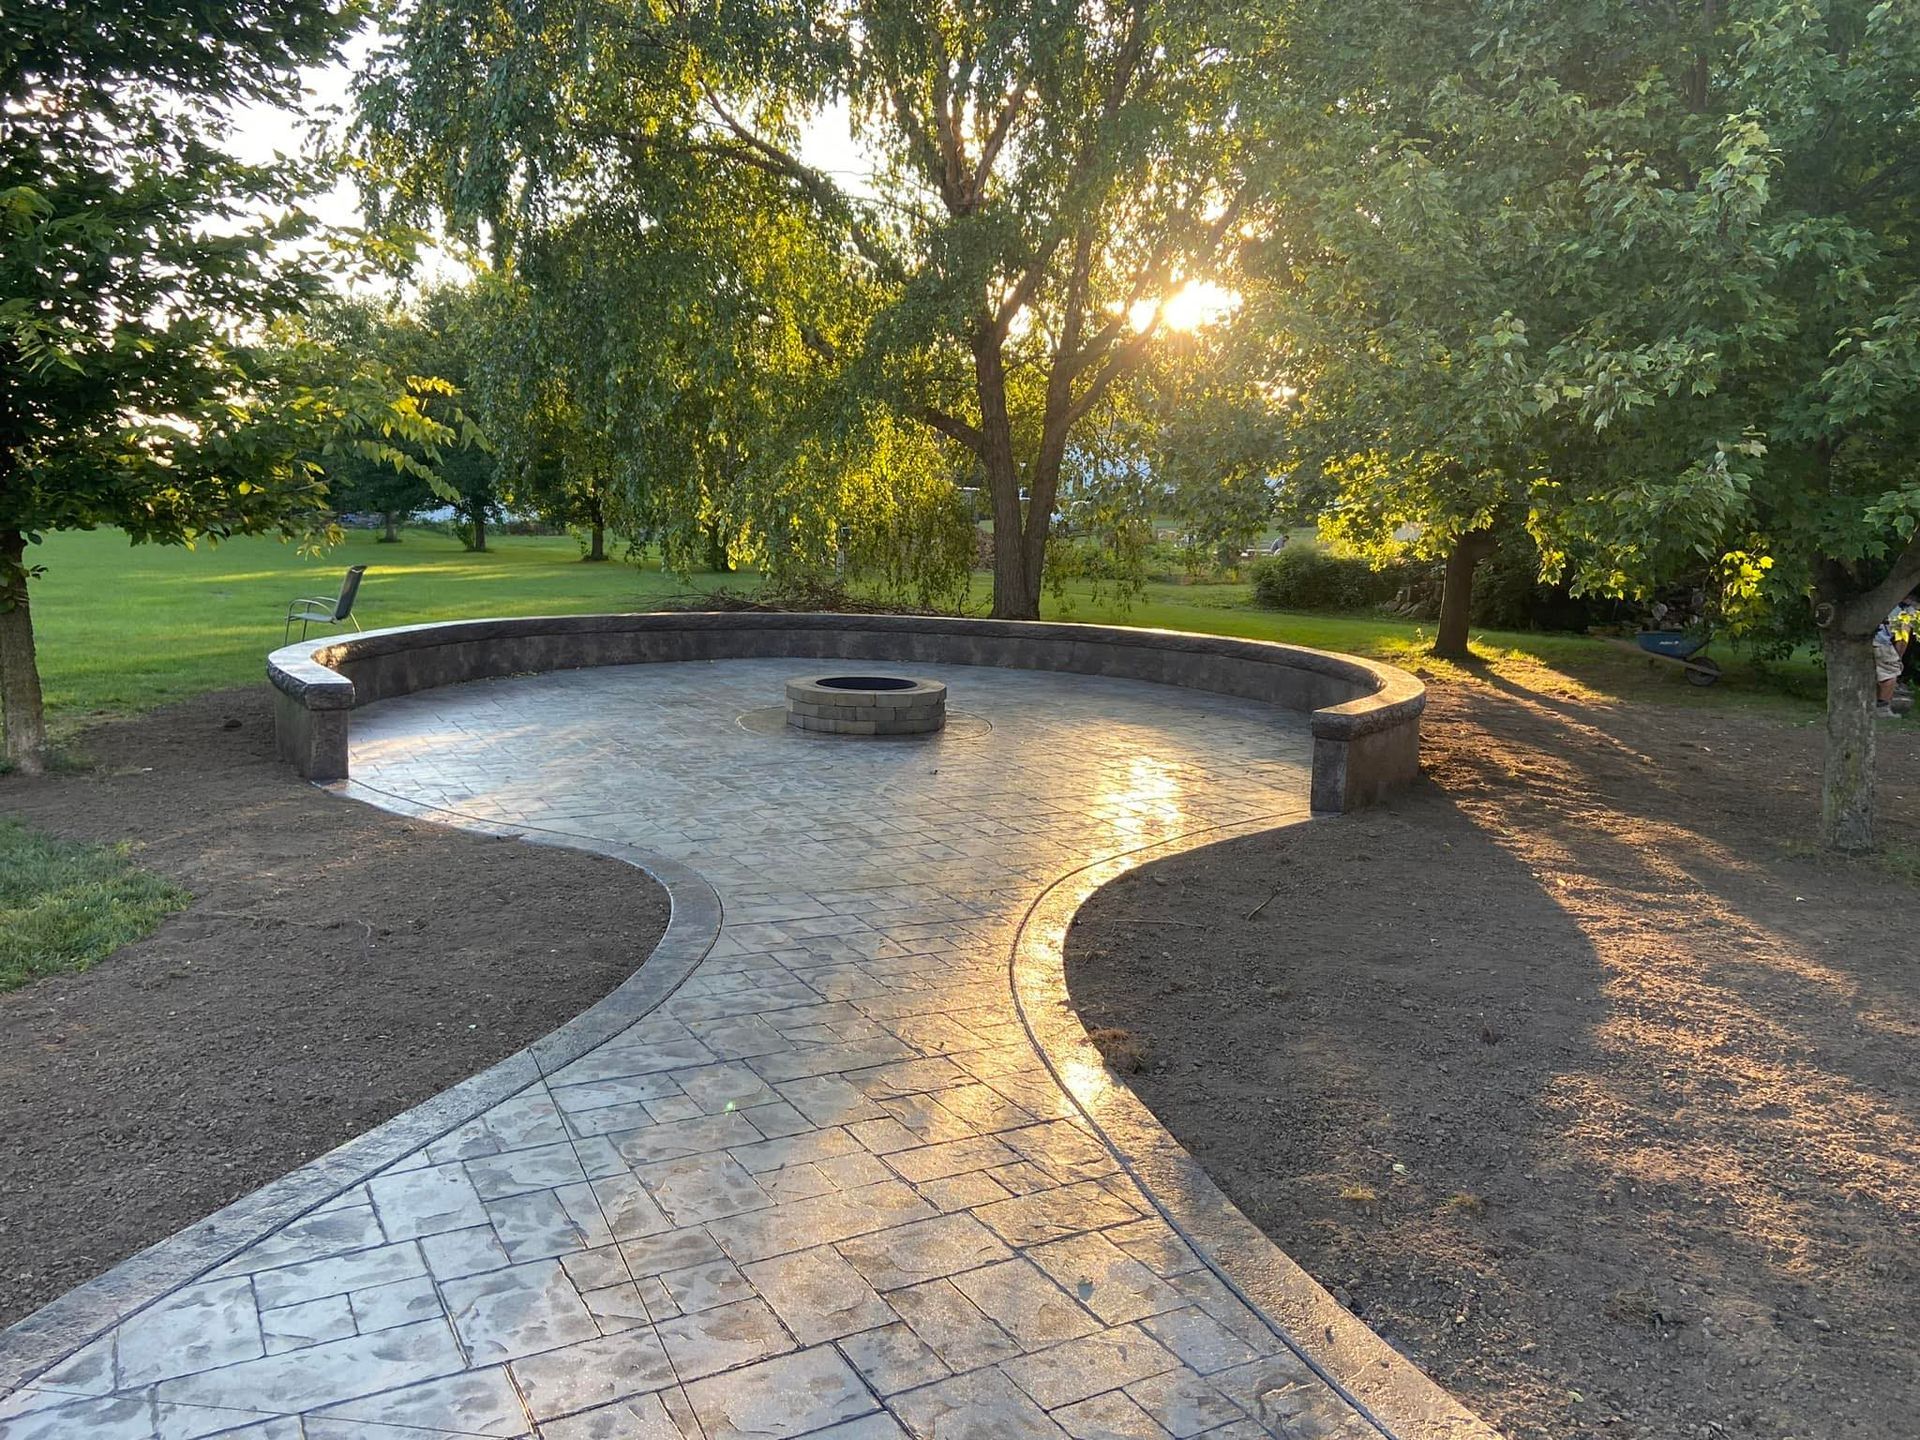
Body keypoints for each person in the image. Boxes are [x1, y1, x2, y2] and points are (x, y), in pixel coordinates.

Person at [1874, 594, 1918, 718]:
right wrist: (1898, 657)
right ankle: (1883, 709)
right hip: (1881, 643)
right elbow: (1902, 638)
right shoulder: (1906, 611)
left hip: (1866, 641)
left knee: (1875, 673)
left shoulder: (1885, 604)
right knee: (1891, 672)